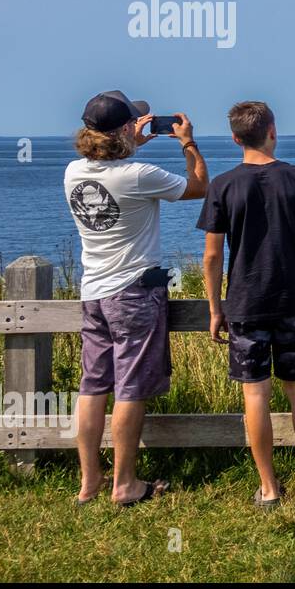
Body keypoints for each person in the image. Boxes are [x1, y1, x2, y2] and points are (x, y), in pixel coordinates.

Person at [64, 90, 208, 506]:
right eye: (134, 123)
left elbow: (109, 165)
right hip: (133, 293)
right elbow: (200, 187)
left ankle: (89, 482)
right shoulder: (139, 174)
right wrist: (187, 142)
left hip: (93, 292)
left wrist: (129, 143)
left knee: (92, 387)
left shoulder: (73, 172)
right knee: (130, 389)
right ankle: (124, 484)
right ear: (126, 128)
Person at [197, 101, 295, 508]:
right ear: (272, 131)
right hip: (292, 300)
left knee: (255, 396)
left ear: (235, 138)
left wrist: (214, 308)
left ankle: (269, 488)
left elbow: (211, 256)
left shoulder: (222, 185)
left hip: (244, 306)